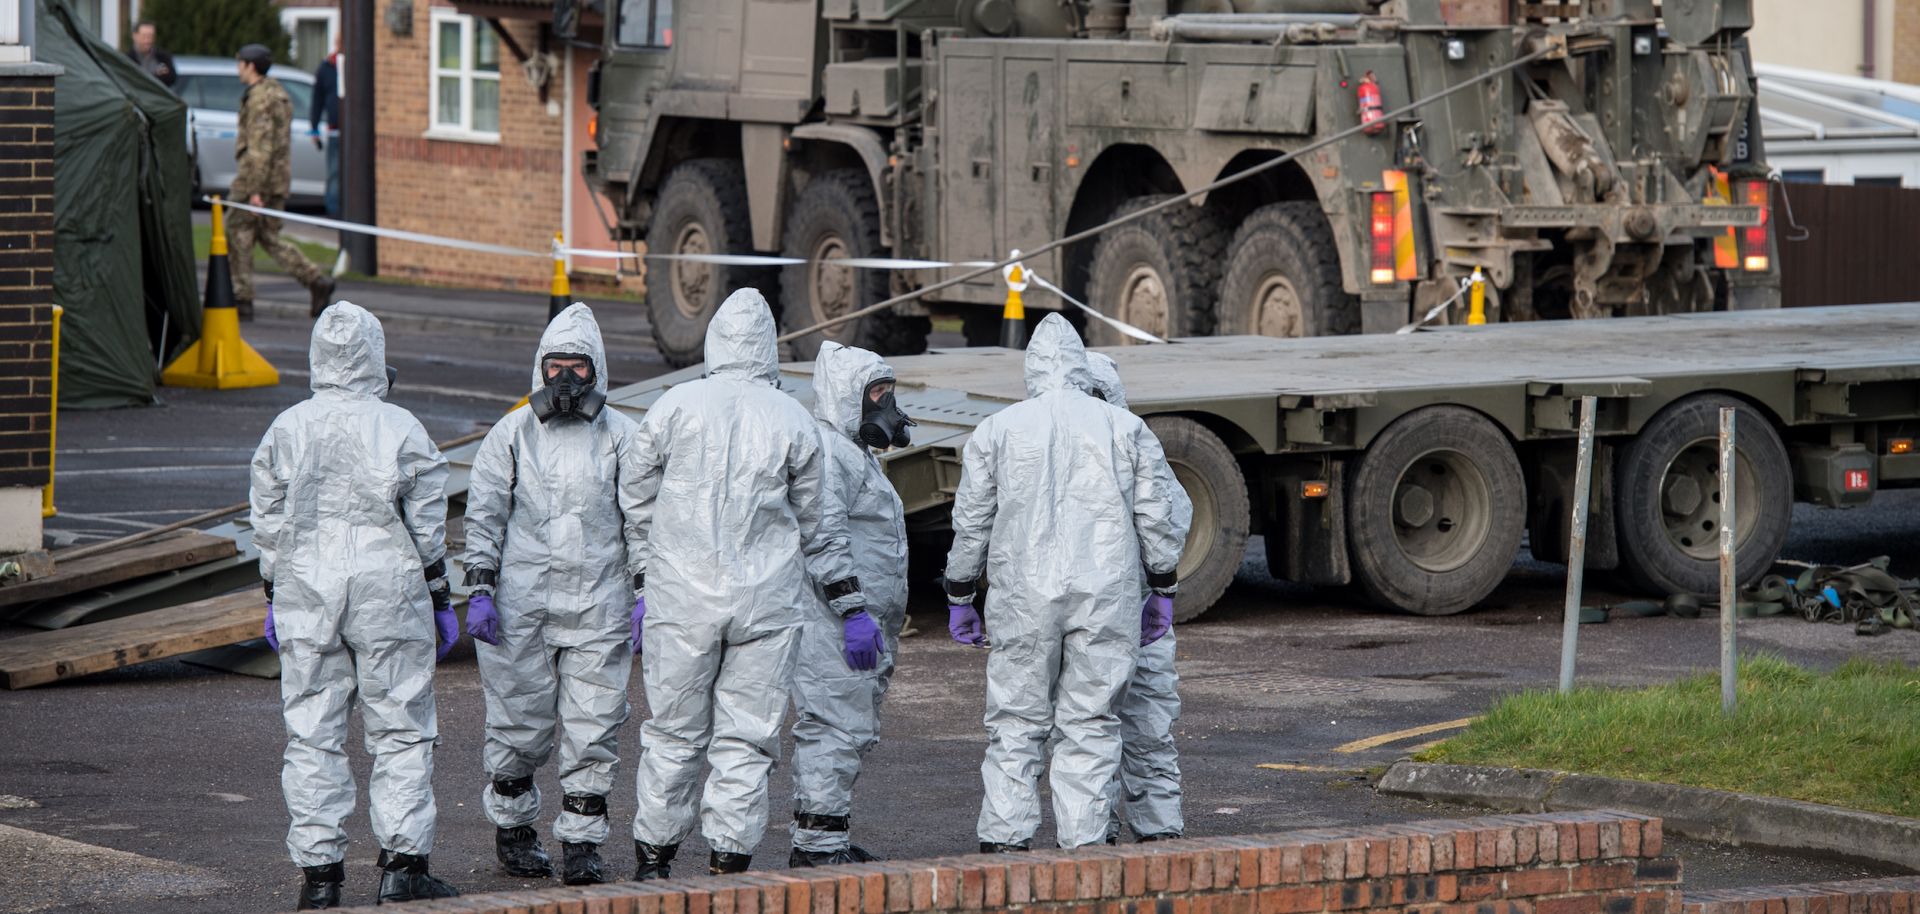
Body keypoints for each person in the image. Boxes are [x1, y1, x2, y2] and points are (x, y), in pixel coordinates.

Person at [621, 288, 874, 879]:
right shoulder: (792, 419)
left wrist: (644, 579)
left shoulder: (674, 406)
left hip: (680, 600)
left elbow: (633, 494)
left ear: (713, 340)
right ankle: (729, 865)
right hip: (765, 605)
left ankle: (652, 862)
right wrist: (852, 606)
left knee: (673, 732)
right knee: (747, 738)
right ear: (768, 347)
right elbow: (822, 526)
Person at [942, 314, 1190, 852]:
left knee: (1015, 719)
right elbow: (1158, 518)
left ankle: (1005, 843)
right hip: (1106, 596)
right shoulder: (1125, 428)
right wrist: (1162, 590)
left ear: (1031, 368)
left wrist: (961, 594)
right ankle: (1084, 849)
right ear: (1081, 365)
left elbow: (972, 523)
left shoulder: (998, 430)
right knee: (1092, 720)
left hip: (1022, 596)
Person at [250, 302, 459, 908]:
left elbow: (268, 520)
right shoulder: (400, 427)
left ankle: (320, 878)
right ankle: (403, 868)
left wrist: (273, 590)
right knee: (400, 729)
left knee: (313, 733)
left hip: (307, 593)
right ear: (376, 354)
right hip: (387, 590)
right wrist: (439, 594)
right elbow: (426, 523)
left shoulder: (288, 427)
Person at [462, 303, 645, 886]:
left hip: (599, 605)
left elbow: (642, 522)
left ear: (598, 373)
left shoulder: (624, 439)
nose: (565, 382)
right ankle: (514, 831)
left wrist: (645, 593)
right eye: (555, 367)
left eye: (578, 369)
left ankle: (582, 845)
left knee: (594, 729)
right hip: (522, 607)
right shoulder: (511, 435)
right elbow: (484, 517)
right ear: (538, 370)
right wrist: (482, 589)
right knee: (519, 726)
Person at [787, 342, 912, 867]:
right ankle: (816, 849)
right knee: (832, 731)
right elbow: (825, 540)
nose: (887, 405)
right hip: (834, 624)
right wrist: (853, 611)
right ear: (846, 399)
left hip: (854, 621)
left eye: (888, 392)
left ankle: (825, 837)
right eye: (876, 394)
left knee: (844, 730)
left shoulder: (850, 452)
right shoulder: (830, 455)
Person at [1084, 352, 1186, 843]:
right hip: (1117, 612)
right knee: (1096, 729)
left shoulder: (1134, 445)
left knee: (1130, 727)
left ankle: (1151, 835)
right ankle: (1103, 834)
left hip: (1125, 613)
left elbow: (1172, 519)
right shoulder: (1129, 445)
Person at [230, 43, 334, 321]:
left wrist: (255, 191)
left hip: (257, 180)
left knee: (237, 233)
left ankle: (242, 297)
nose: (238, 68)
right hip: (276, 179)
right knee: (268, 237)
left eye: (240, 63)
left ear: (251, 66)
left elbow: (260, 148)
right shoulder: (277, 93)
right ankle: (315, 280)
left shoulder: (261, 99)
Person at [310, 35, 343, 222]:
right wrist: (314, 128)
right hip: (334, 130)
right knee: (334, 172)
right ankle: (333, 211)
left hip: (354, 132)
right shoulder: (326, 68)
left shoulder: (352, 65)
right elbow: (317, 101)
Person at [125, 21, 175, 86]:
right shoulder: (127, 59)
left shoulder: (163, 57)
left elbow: (172, 78)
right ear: (135, 36)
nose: (148, 40)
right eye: (144, 36)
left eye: (151, 36)